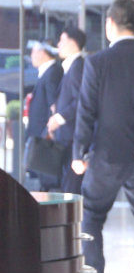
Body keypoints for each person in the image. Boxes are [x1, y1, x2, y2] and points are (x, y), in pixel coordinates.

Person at [73, 0, 134, 273]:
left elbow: (86, 112)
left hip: (106, 156)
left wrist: (78, 153)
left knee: (91, 214)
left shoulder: (97, 62)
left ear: (109, 24)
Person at [47, 26, 87, 194]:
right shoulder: (70, 67)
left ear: (73, 42)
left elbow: (81, 101)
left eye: (62, 40)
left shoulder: (78, 67)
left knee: (71, 190)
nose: (59, 44)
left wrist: (59, 118)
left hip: (73, 139)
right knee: (68, 188)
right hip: (67, 138)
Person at [24, 39, 63, 191]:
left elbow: (54, 105)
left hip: (45, 139)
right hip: (40, 137)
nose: (31, 55)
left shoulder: (52, 73)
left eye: (34, 51)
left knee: (47, 183)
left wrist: (49, 131)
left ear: (43, 53)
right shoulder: (47, 72)